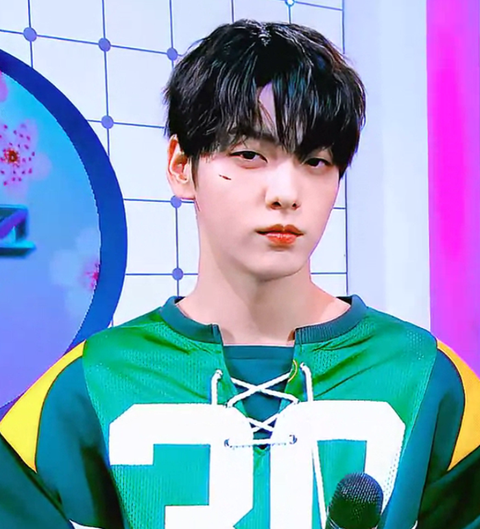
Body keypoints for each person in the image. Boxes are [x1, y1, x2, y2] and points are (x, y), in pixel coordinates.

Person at [1, 19, 479, 529]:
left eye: (316, 161)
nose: (286, 193)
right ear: (181, 165)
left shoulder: (428, 377)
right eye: (250, 155)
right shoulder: (88, 384)